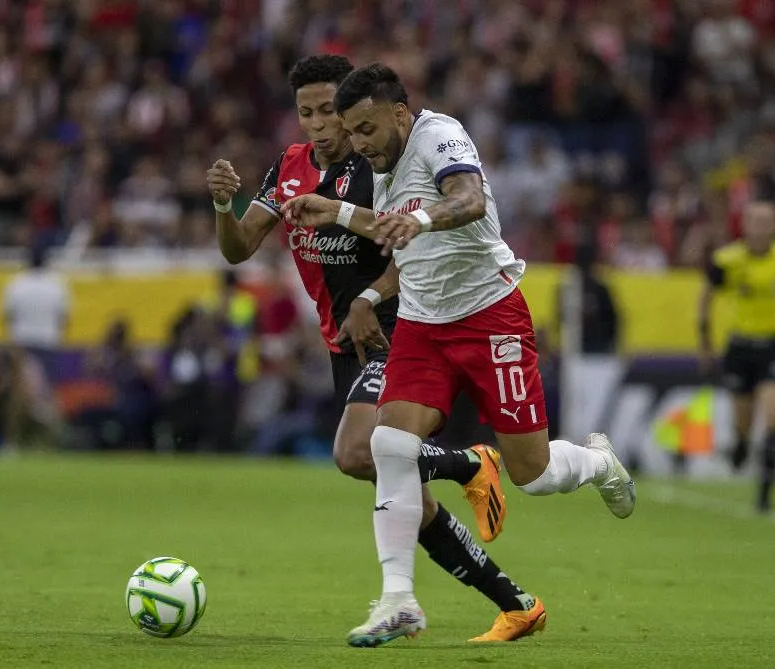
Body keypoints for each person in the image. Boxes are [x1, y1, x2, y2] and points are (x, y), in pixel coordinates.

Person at [283, 62, 636, 646]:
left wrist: (419, 218)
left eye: (367, 129)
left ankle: (599, 462)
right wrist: (339, 212)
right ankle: (399, 601)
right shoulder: (379, 164)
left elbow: (467, 200)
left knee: (534, 474)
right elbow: (392, 228)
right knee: (389, 444)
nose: (360, 144)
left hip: (488, 316)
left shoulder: (438, 134)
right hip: (423, 323)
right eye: (353, 132)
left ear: (398, 113)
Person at [207, 55, 532, 642]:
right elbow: (238, 250)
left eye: (329, 110)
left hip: (392, 326)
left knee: (360, 453)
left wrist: (370, 295)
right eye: (306, 113)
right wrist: (222, 207)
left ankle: (466, 468)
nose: (319, 125)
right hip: (343, 343)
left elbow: (420, 258)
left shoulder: (381, 163)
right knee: (403, 490)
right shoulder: (289, 168)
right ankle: (514, 601)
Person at [698, 200, 775, 513]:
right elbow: (706, 296)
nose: (760, 228)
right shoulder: (727, 260)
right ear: (744, 225)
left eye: (767, 222)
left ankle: (764, 495)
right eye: (755, 222)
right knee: (744, 425)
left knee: (773, 419)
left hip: (774, 345)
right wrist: (704, 342)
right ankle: (742, 445)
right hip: (740, 348)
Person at [2, 245, 70, 384]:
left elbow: (7, 315)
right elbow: (63, 317)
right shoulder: (56, 284)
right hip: (47, 340)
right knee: (46, 386)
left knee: (21, 386)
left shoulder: (17, 284)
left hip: (21, 341)